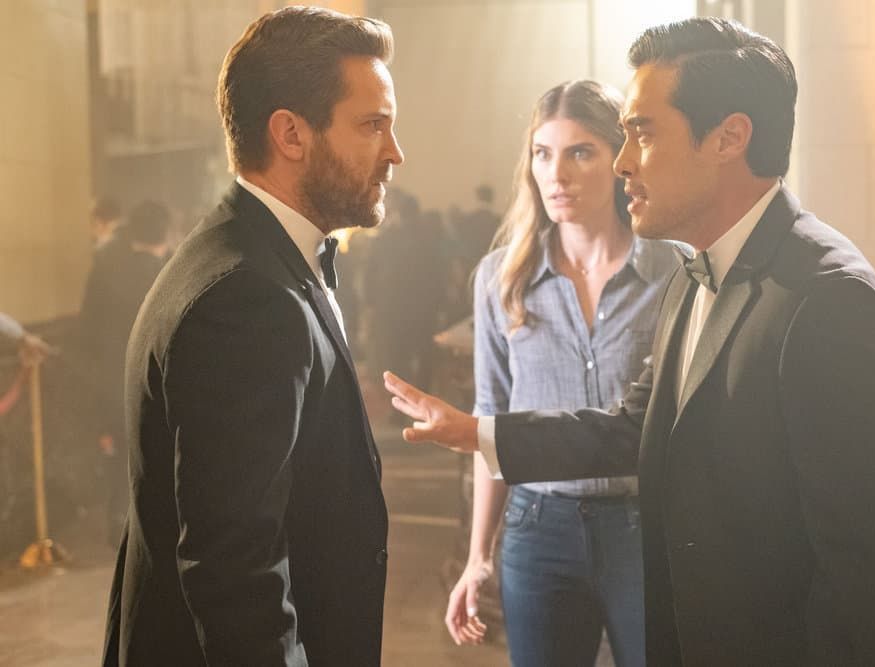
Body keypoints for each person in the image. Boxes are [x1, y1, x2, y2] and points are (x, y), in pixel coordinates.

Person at [384, 17, 875, 667]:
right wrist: (477, 433)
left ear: (729, 138)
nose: (623, 161)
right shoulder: (692, 274)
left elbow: (868, 573)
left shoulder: (830, 299)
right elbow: (633, 427)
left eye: (643, 133)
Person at [103, 7, 403, 666]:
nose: (394, 152)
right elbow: (236, 574)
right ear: (291, 134)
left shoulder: (246, 251)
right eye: (372, 125)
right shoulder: (246, 300)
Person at [449, 80, 678, 667]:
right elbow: (491, 417)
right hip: (539, 527)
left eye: (580, 152)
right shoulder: (502, 278)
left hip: (643, 525)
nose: (558, 174)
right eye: (542, 154)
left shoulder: (673, 272)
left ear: (619, 159)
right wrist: (478, 556)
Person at [77, 200, 170, 544]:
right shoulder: (171, 270)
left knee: (121, 455)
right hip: (160, 378)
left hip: (115, 376)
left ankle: (120, 526)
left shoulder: (106, 266)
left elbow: (88, 329)